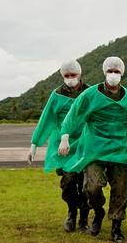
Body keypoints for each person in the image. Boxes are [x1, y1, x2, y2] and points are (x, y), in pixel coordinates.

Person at [58, 56, 127, 243]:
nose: (113, 75)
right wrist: (65, 137)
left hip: (119, 150)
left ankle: (116, 228)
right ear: (104, 72)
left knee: (120, 189)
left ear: (122, 73)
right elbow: (73, 114)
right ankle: (99, 211)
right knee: (92, 187)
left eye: (117, 71)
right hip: (95, 149)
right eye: (110, 71)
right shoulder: (90, 94)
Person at [28, 60, 90, 233]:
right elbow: (46, 118)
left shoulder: (90, 92)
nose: (70, 78)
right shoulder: (56, 94)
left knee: (86, 182)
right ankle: (72, 212)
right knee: (68, 181)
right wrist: (35, 143)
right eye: (67, 76)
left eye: (73, 75)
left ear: (80, 74)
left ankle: (84, 219)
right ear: (63, 76)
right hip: (63, 144)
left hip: (85, 142)